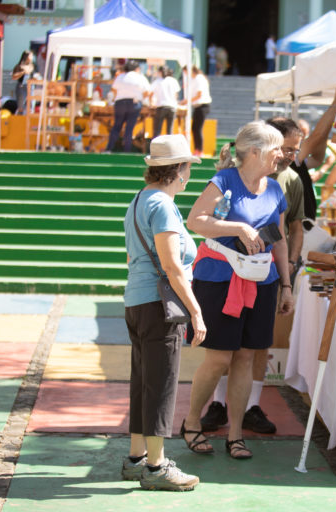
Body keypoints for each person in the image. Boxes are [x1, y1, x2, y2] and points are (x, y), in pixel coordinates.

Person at [182, 121, 295, 459]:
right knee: (218, 358)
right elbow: (195, 220)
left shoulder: (275, 189)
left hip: (262, 281)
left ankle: (234, 435)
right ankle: (191, 423)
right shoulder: (224, 181)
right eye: (278, 148)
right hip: (219, 278)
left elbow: (280, 240)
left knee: (246, 356)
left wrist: (286, 285)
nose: (283, 154)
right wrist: (239, 227)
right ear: (256, 151)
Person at [121, 134, 206, 491]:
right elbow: (172, 266)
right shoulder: (164, 206)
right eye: (188, 167)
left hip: (138, 301)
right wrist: (197, 312)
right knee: (162, 384)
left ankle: (137, 457)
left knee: (144, 380)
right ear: (180, 170)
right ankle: (156, 467)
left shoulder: (139, 199)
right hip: (160, 306)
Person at [288, 87, 336, 220]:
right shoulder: (289, 159)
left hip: (304, 223)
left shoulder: (294, 159)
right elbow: (317, 136)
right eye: (299, 133)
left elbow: (318, 158)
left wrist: (324, 131)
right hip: (299, 225)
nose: (303, 137)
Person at [106, 60, 151, 153]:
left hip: (120, 103)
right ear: (137, 69)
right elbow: (147, 92)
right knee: (129, 129)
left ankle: (109, 149)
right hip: (134, 103)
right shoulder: (140, 77)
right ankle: (127, 151)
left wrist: (115, 97)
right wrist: (141, 98)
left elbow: (113, 89)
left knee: (116, 126)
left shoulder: (120, 77)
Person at [180, 66, 211, 157]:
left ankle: (200, 150)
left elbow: (199, 94)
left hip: (202, 106)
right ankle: (197, 149)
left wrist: (187, 101)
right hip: (198, 106)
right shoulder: (195, 79)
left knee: (197, 128)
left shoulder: (199, 78)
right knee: (195, 128)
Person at [150, 66, 181, 138]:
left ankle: (155, 148)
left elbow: (150, 94)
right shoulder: (173, 80)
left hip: (161, 106)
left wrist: (151, 103)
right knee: (169, 130)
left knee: (157, 130)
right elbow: (176, 95)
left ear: (160, 72)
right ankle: (169, 148)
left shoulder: (157, 81)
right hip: (172, 106)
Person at [11, 50, 34, 115]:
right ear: (26, 56)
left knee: (30, 105)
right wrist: (23, 72)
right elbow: (14, 77)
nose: (32, 57)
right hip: (21, 86)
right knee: (21, 105)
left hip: (30, 86)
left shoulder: (32, 66)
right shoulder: (19, 66)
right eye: (31, 55)